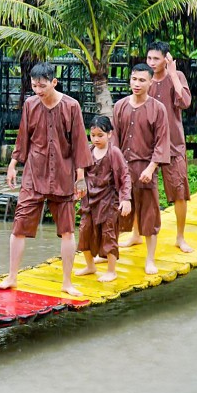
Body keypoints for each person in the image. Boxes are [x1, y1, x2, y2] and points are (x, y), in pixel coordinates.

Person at [0, 62, 92, 296]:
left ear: (54, 82)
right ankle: (12, 276)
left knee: (67, 229)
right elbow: (23, 137)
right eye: (34, 86)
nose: (38, 91)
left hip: (63, 173)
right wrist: (12, 165)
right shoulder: (30, 104)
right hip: (34, 173)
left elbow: (80, 143)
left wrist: (80, 178)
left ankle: (67, 282)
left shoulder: (71, 106)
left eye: (42, 86)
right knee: (19, 225)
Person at [112, 64, 171, 275]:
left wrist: (152, 167)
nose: (137, 84)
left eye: (142, 80)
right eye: (134, 79)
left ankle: (150, 259)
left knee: (149, 215)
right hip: (123, 168)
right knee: (115, 212)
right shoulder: (119, 106)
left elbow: (162, 142)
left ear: (151, 82)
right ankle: (108, 256)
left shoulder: (158, 109)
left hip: (146, 168)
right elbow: (114, 142)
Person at [141, 40, 194, 253]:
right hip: (147, 145)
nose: (152, 62)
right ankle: (136, 234)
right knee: (141, 191)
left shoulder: (176, 76)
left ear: (166, 59)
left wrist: (172, 74)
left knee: (179, 191)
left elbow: (185, 102)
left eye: (156, 58)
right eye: (149, 58)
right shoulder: (144, 80)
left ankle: (180, 237)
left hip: (173, 145)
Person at [75, 115, 132, 283]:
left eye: (100, 135)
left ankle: (111, 270)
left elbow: (125, 176)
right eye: (93, 135)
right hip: (89, 199)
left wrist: (126, 198)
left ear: (109, 134)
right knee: (84, 231)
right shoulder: (88, 152)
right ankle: (90, 265)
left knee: (109, 234)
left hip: (109, 200)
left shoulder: (114, 152)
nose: (96, 139)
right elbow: (80, 174)